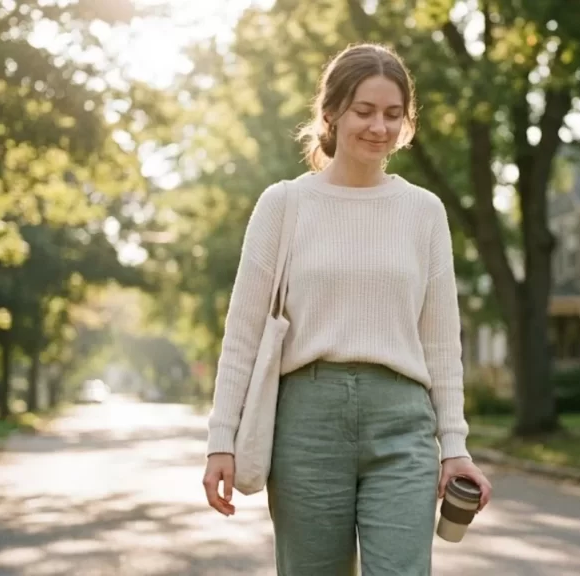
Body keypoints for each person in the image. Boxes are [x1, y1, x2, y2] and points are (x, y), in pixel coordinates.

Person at [202, 42, 492, 575]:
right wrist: (221, 440)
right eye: (364, 111)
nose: (378, 127)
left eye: (392, 113)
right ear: (331, 111)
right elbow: (242, 334)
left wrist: (456, 447)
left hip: (403, 423)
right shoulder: (284, 205)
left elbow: (441, 344)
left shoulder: (423, 212)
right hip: (306, 423)